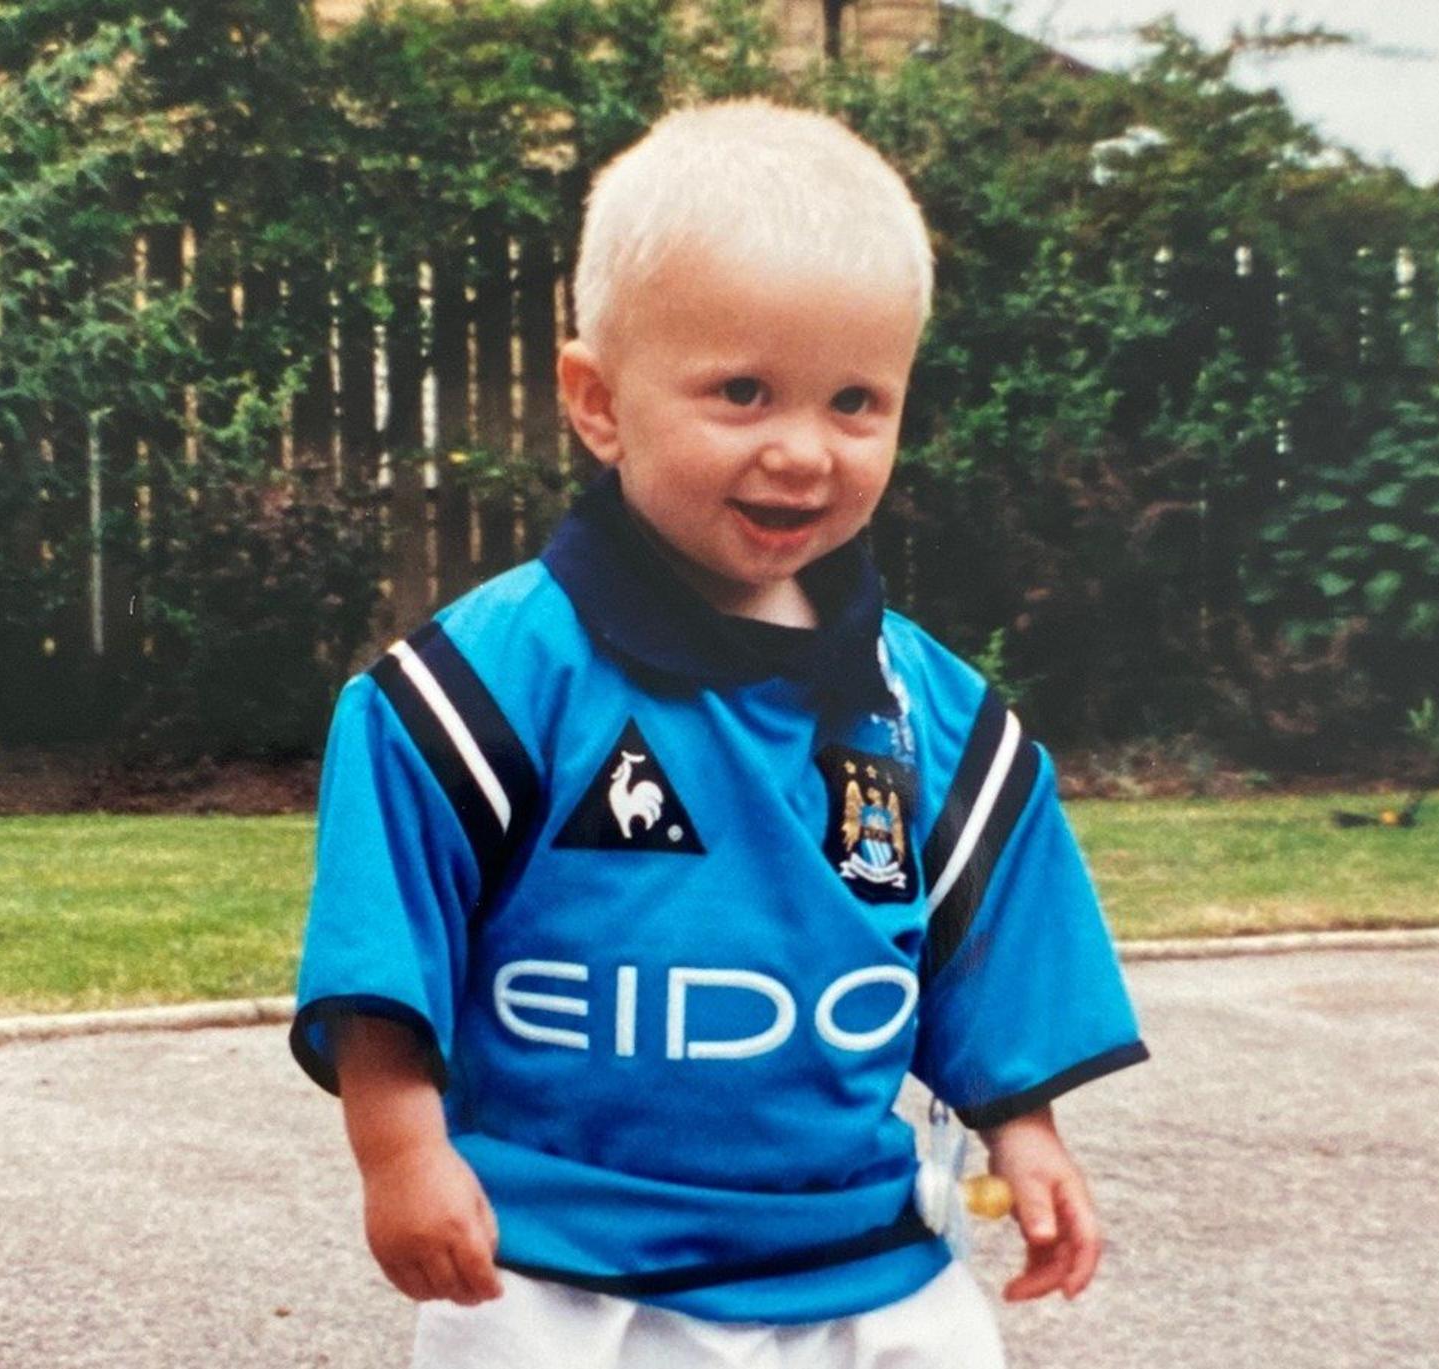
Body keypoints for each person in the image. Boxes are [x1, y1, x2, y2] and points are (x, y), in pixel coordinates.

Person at [290, 99, 1148, 1368]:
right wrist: (402, 1151)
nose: (803, 450)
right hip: (560, 1266)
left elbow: (989, 944)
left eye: (856, 400)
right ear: (597, 401)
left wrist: (1025, 1127)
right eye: (742, 392)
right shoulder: (485, 686)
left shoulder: (932, 711)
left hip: (860, 1256)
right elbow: (385, 936)